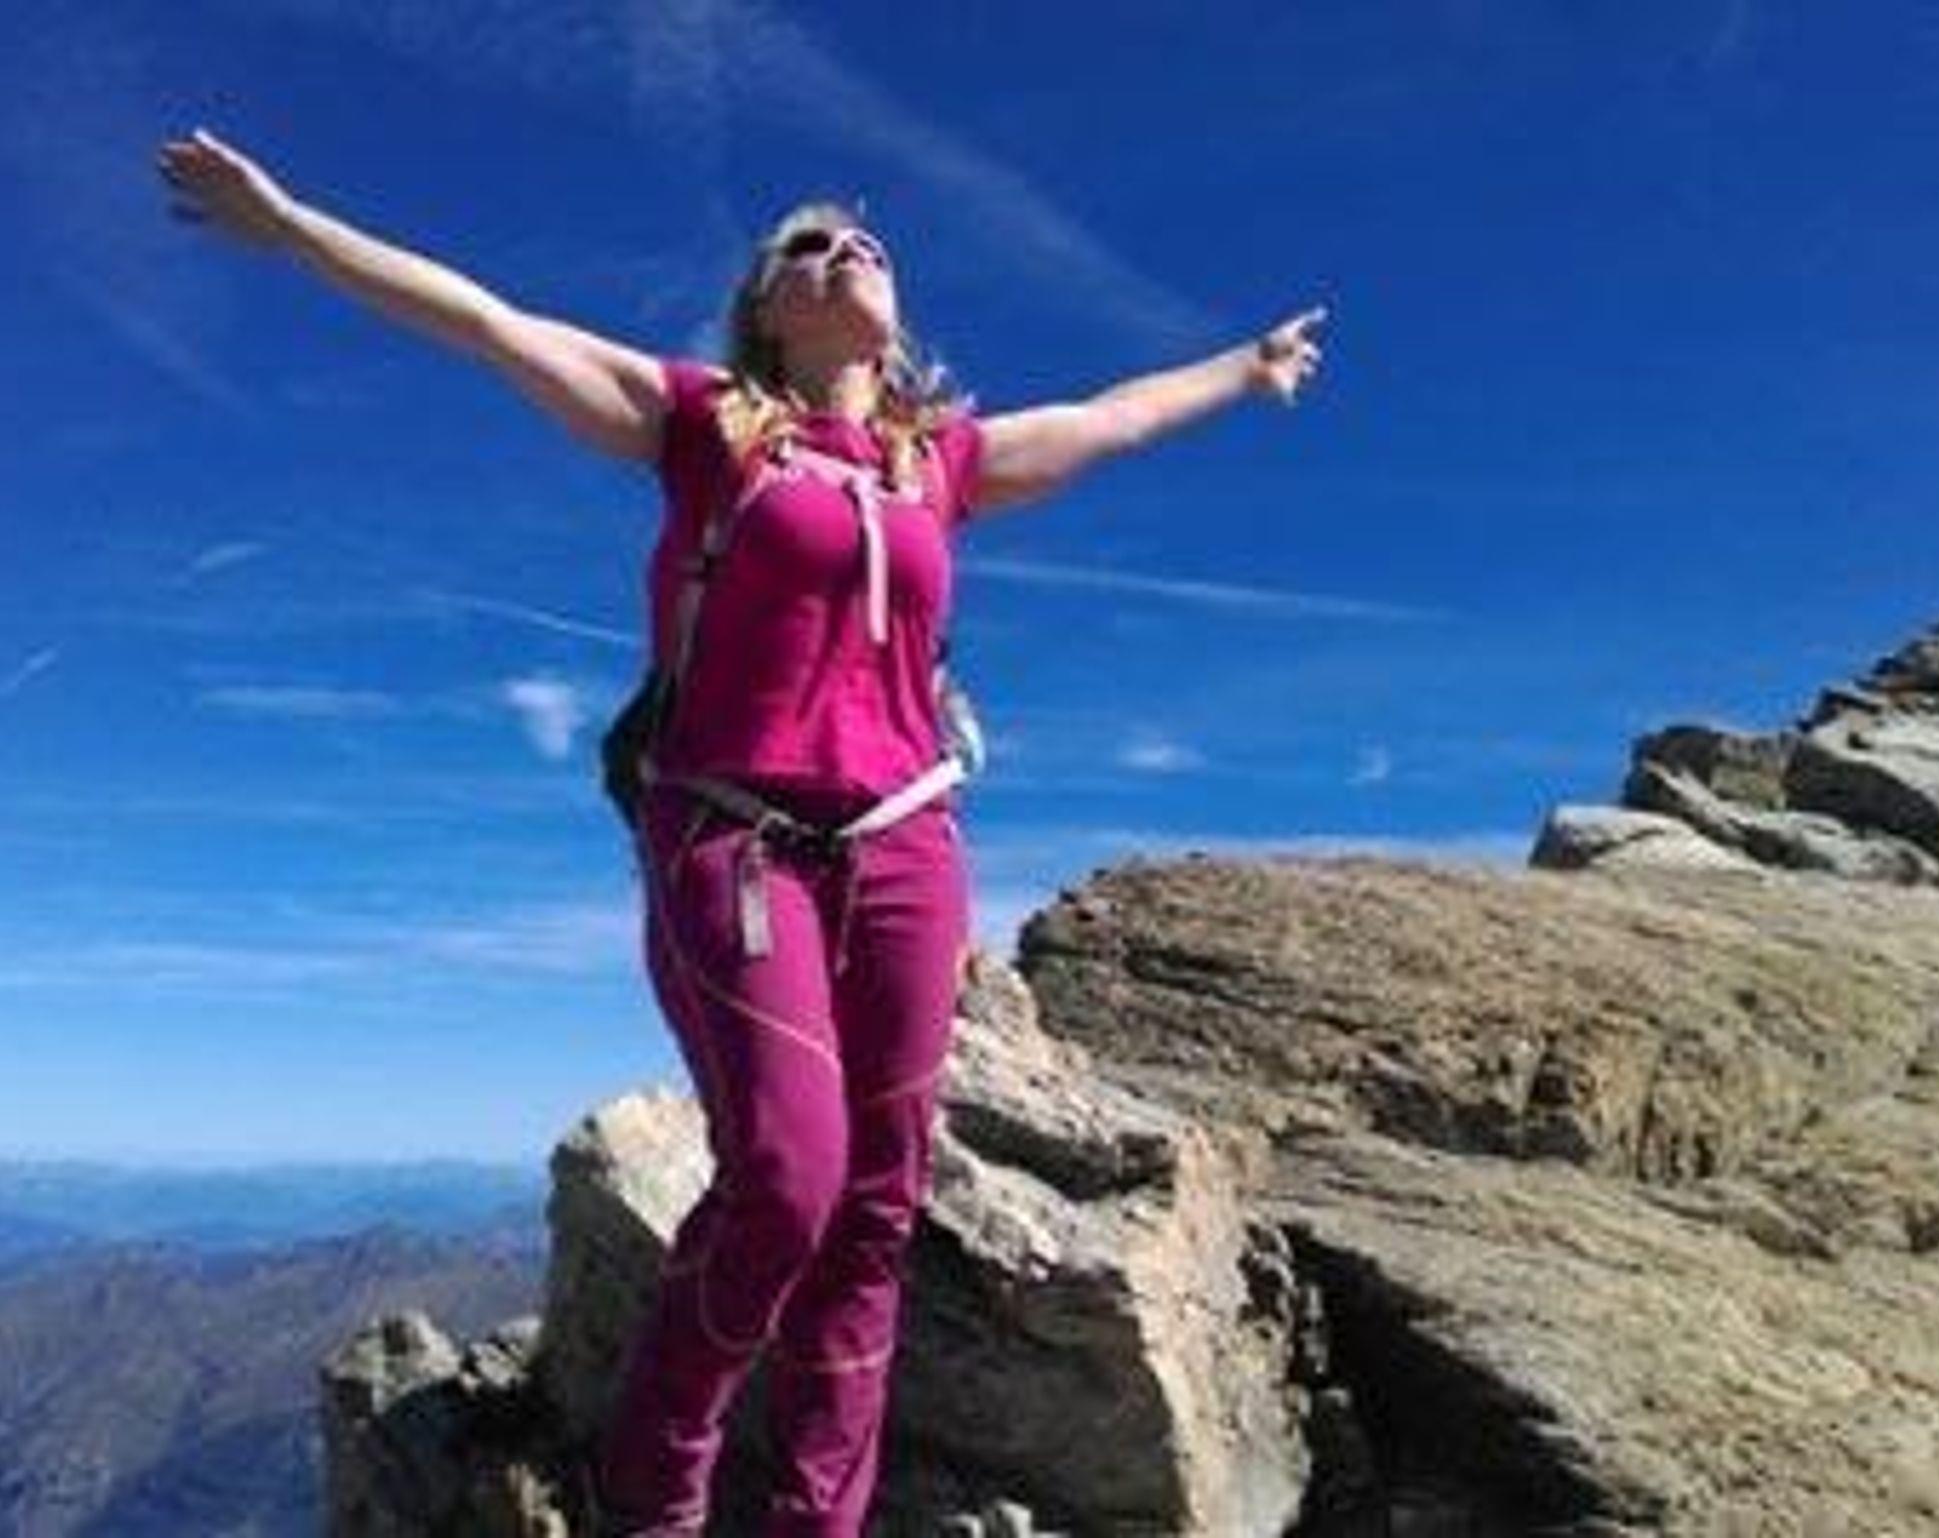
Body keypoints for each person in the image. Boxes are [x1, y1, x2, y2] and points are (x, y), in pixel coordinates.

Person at [156, 126, 1327, 1537]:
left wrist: (1245, 368)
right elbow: (485, 321)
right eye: (808, 246)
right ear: (765, 308)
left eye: (867, 241)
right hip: (735, 836)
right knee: (787, 1176)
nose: (847, 250)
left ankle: (814, 1520)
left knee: (879, 1205)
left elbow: (1116, 414)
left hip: (909, 841)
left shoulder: (937, 463)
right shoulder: (706, 426)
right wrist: (291, 224)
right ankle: (654, 1491)